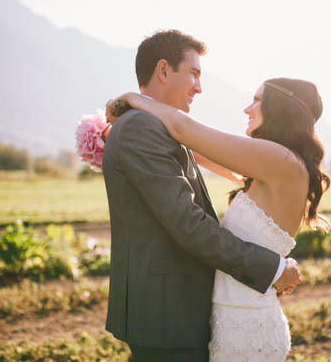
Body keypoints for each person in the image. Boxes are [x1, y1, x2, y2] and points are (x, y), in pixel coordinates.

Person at [101, 29, 302, 362]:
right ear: (163, 70)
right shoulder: (141, 128)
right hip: (167, 313)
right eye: (193, 73)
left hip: (179, 311)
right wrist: (272, 269)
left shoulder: (157, 127)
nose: (199, 86)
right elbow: (189, 225)